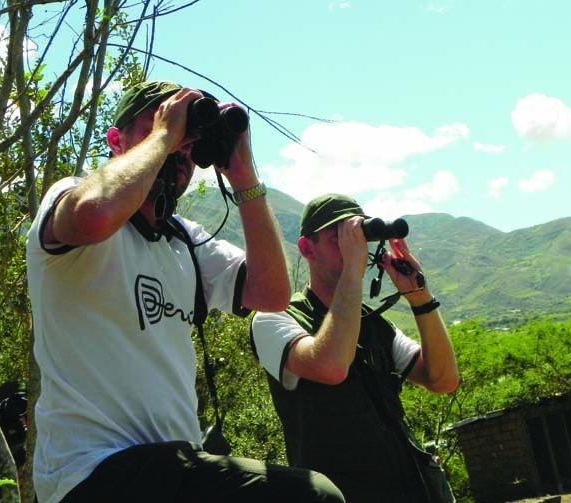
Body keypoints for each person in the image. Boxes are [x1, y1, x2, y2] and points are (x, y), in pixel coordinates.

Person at [26, 81, 343, 503]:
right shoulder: (70, 196)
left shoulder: (185, 241)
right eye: (160, 126)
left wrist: (243, 174)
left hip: (173, 468)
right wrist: (165, 135)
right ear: (116, 141)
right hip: (89, 472)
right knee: (312, 496)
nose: (179, 151)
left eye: (188, 142)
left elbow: (271, 293)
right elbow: (96, 212)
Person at [251, 194, 461, 502]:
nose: (354, 247)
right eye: (339, 239)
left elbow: (443, 380)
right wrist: (352, 270)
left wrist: (421, 299)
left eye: (357, 237)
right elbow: (332, 366)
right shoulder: (275, 317)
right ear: (308, 248)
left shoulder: (373, 325)